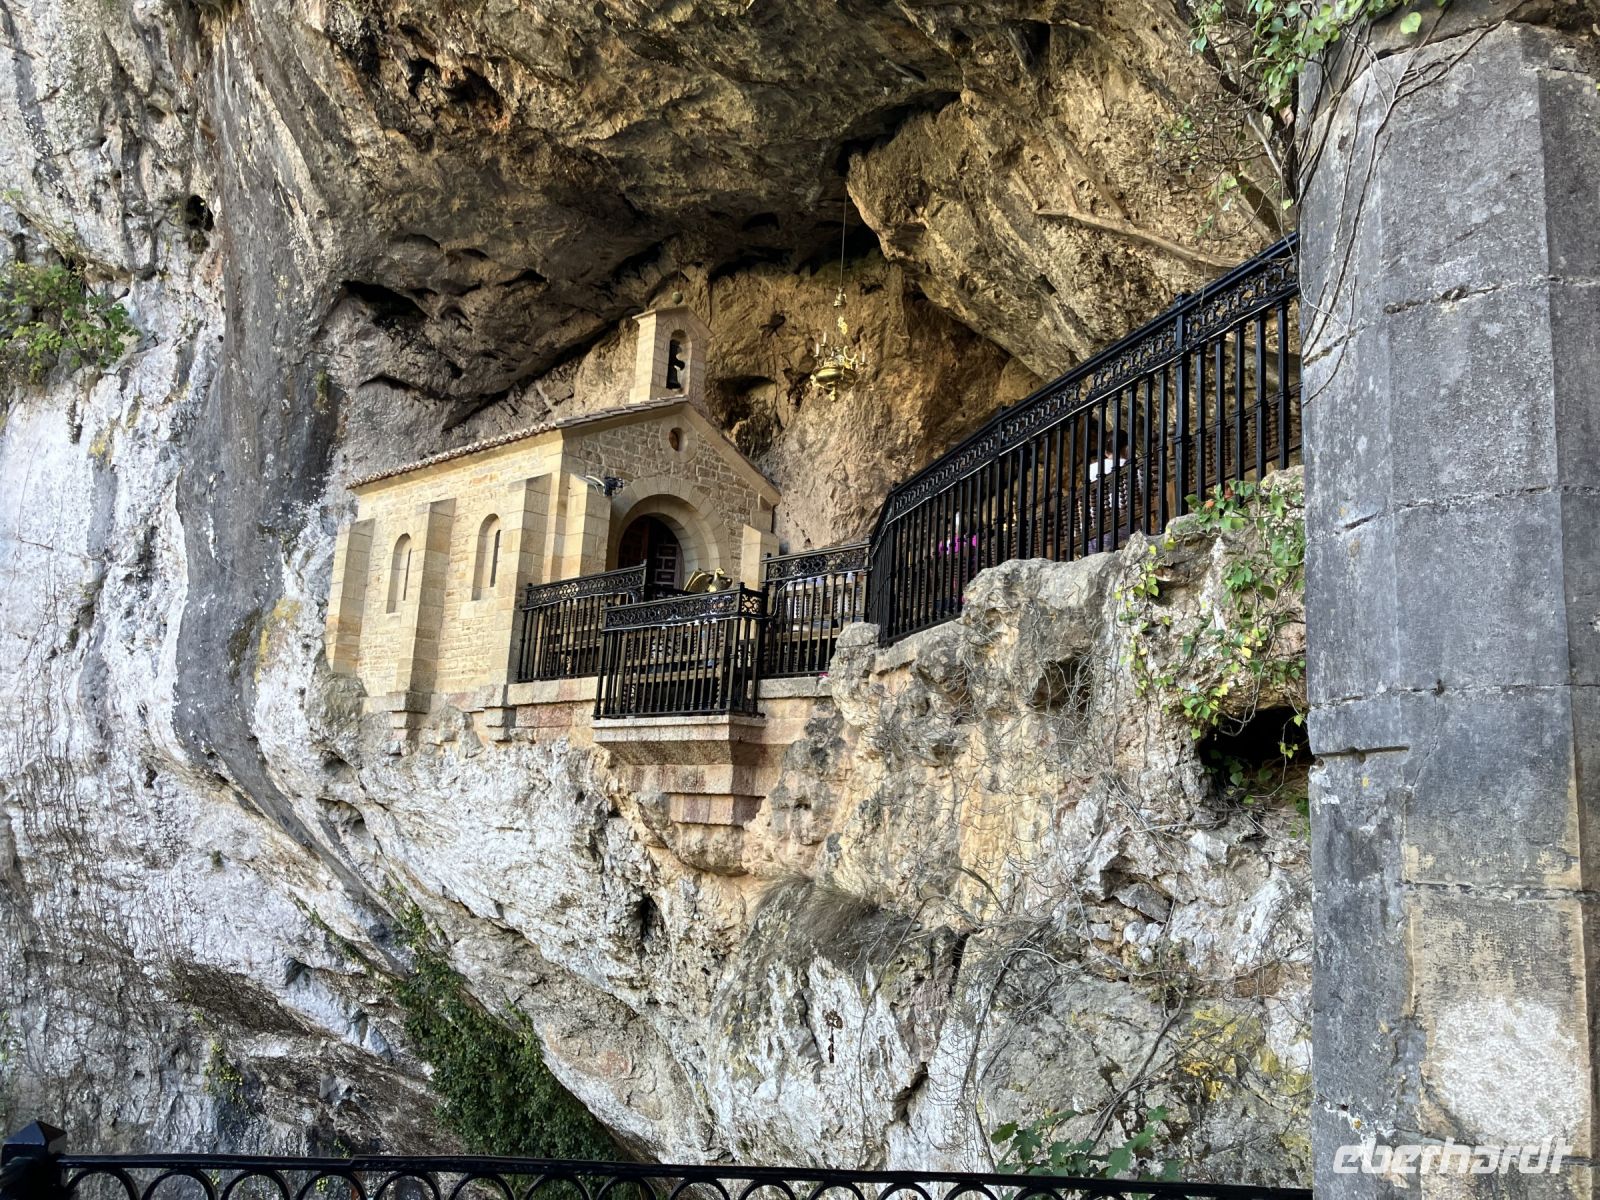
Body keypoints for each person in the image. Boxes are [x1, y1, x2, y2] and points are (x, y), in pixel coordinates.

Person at [1085, 427, 1141, 554]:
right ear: (1127, 448)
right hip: (1126, 523)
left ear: (1105, 452)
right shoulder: (1133, 466)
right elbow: (1142, 494)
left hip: (1096, 526)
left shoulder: (1092, 469)